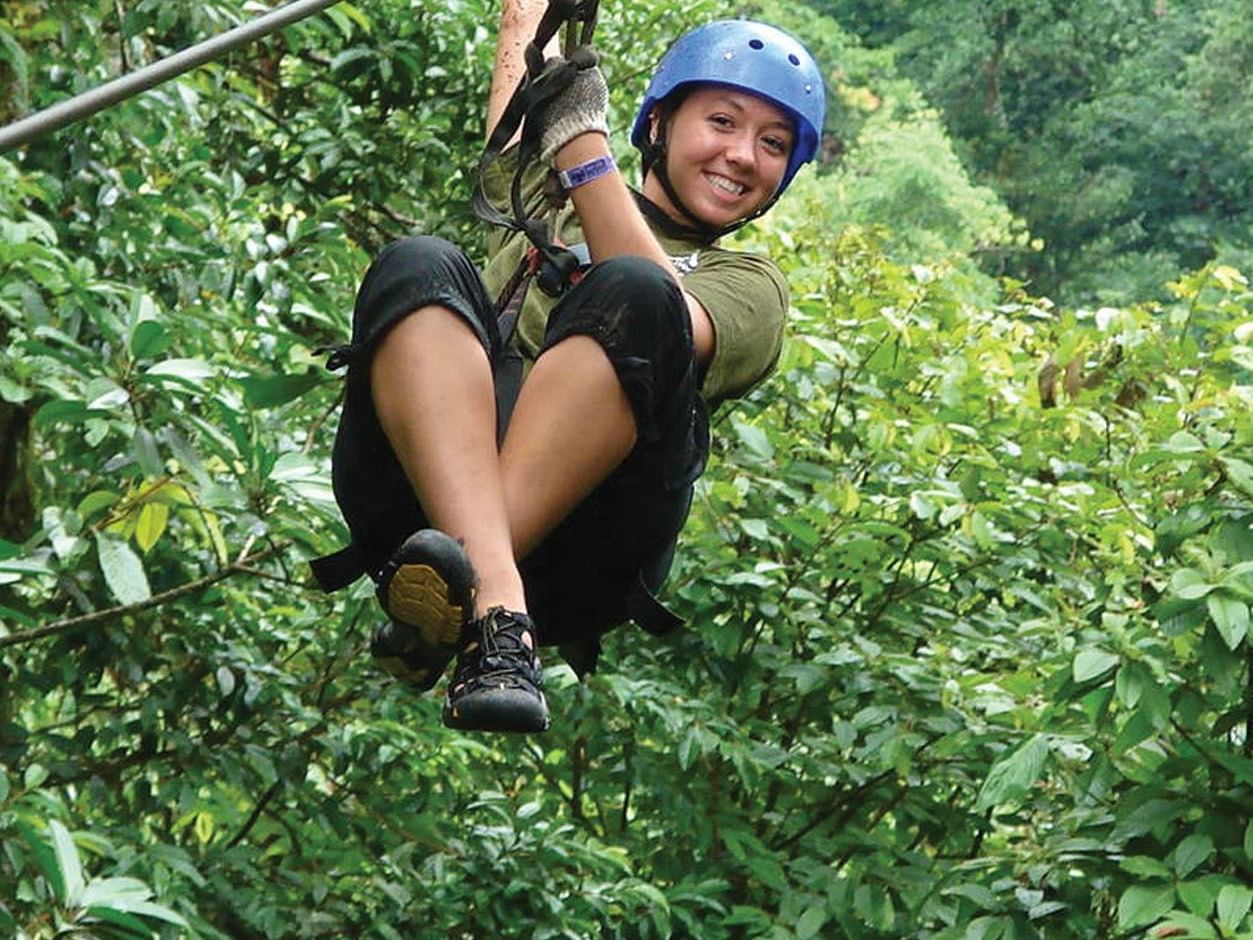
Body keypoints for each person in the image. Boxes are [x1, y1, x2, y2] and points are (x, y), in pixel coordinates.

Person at [312, 0, 825, 733]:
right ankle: (487, 611)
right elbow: (526, 33)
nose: (742, 155)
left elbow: (669, 321)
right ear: (657, 126)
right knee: (417, 264)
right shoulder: (540, 197)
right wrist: (560, 122)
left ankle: (481, 602)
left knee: (639, 292)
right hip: (413, 510)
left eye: (773, 143)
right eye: (721, 122)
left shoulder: (751, 286)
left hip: (581, 555)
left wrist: (583, 150)